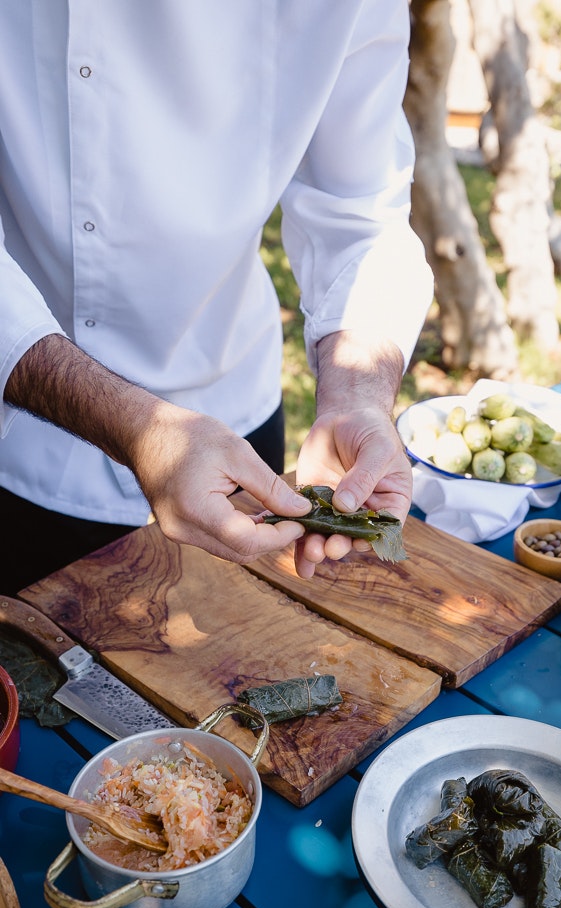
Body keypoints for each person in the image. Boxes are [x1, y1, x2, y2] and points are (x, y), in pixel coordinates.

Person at [0, 1, 434, 597]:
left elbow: (361, 211)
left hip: (238, 425)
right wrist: (137, 428)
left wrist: (358, 395)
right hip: (22, 436)